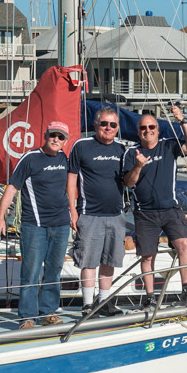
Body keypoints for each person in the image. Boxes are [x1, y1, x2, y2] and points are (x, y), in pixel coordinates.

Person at [0, 122, 71, 329]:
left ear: (66, 141)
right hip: (34, 225)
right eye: (52, 135)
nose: (56, 140)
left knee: (54, 270)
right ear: (45, 135)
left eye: (61, 137)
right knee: (31, 271)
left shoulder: (65, 159)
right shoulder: (30, 158)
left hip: (62, 224)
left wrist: (74, 213)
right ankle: (26, 316)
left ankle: (48, 312)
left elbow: (72, 187)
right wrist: (0, 217)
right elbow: (12, 188)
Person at [123, 108, 187, 309]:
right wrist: (138, 166)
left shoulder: (168, 146)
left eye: (151, 127)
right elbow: (129, 183)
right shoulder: (131, 153)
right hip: (145, 213)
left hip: (170, 209)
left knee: (183, 244)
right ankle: (149, 297)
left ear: (157, 130)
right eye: (143, 128)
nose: (147, 131)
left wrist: (182, 120)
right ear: (138, 131)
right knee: (148, 256)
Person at [67, 107, 126, 317]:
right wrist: (72, 210)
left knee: (109, 260)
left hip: (116, 215)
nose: (108, 128)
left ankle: (105, 301)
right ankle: (88, 304)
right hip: (89, 213)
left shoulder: (121, 150)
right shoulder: (82, 146)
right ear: (96, 125)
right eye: (104, 124)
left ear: (117, 128)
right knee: (89, 260)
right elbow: (72, 178)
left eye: (112, 125)